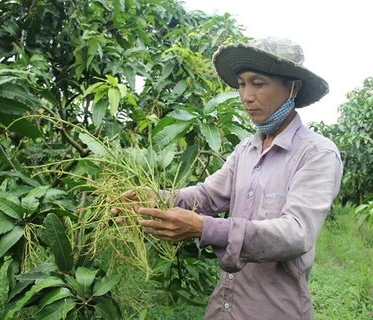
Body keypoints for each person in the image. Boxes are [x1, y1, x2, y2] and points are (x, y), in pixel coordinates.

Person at [120, 37, 343, 319]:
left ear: (293, 88)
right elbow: (206, 196)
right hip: (224, 308)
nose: (246, 96)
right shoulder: (245, 150)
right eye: (241, 84)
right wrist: (157, 197)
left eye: (258, 83)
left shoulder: (317, 154)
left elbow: (296, 234)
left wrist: (205, 228)